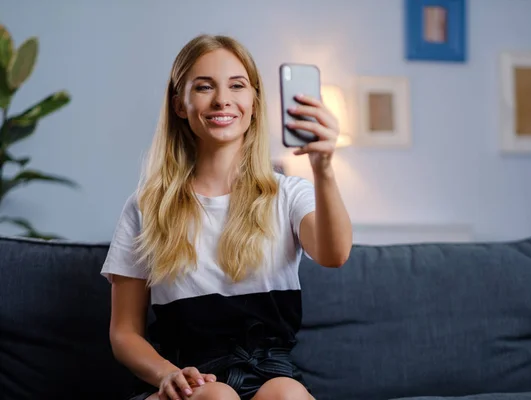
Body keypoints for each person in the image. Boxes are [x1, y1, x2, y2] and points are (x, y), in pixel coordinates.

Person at [101, 33, 352, 400]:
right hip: (186, 381)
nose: (223, 99)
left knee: (287, 393)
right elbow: (124, 333)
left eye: (237, 86)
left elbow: (335, 254)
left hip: (271, 375)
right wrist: (168, 375)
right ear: (179, 105)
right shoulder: (146, 206)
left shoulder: (288, 195)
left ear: (254, 102)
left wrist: (324, 167)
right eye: (204, 87)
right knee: (218, 397)